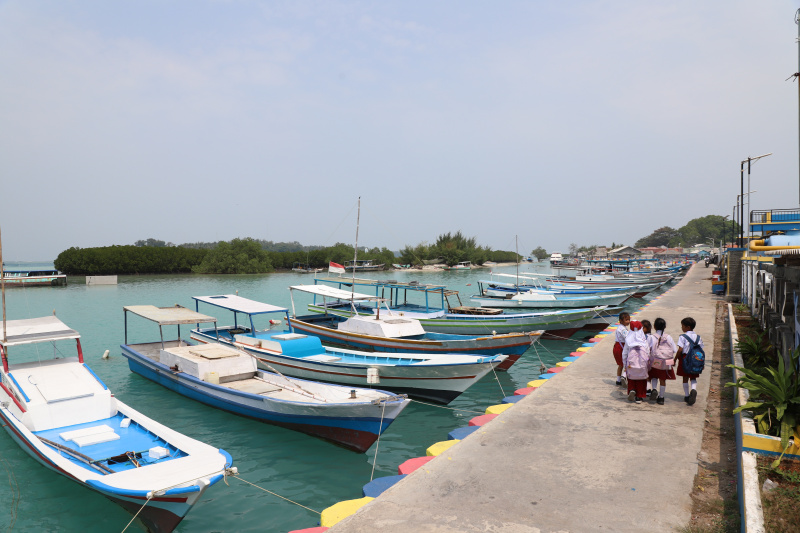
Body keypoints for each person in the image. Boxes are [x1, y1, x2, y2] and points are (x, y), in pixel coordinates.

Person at [648, 318, 676, 405]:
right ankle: (661, 398)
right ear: (665, 327)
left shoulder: (651, 337)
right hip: (666, 361)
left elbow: (647, 349)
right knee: (663, 379)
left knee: (654, 376)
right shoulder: (669, 337)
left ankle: (654, 389)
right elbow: (674, 349)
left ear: (654, 326)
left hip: (655, 361)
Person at [676, 316, 703, 406]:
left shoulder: (682, 337)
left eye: (682, 326)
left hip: (685, 358)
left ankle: (687, 395)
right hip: (695, 358)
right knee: (693, 376)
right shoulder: (698, 337)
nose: (682, 328)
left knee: (685, 377)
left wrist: (675, 359)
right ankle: (694, 389)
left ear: (687, 327)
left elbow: (680, 349)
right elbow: (701, 348)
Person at [622, 320, 651, 404]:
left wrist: (625, 364)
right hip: (642, 364)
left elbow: (624, 353)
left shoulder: (628, 340)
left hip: (631, 364)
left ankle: (632, 390)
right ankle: (639, 397)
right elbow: (648, 352)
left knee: (631, 378)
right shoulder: (643, 340)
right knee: (641, 380)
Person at [613, 312, 631, 386]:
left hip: (617, 346)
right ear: (621, 320)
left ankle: (618, 380)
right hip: (621, 348)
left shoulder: (620, 327)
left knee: (620, 364)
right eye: (626, 320)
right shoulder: (622, 329)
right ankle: (624, 376)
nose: (628, 321)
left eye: (629, 319)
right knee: (626, 363)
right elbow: (627, 338)